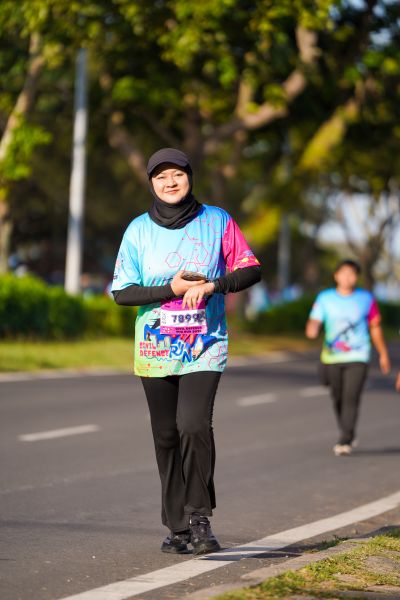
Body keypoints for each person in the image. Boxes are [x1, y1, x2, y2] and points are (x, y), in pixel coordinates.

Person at [111, 148, 261, 555]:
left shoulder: (217, 221)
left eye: (177, 174)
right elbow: (122, 292)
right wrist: (171, 290)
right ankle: (176, 527)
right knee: (166, 435)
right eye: (161, 177)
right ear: (151, 183)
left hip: (205, 344)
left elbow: (251, 268)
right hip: (155, 347)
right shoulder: (138, 230)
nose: (170, 182)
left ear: (189, 176)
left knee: (193, 424)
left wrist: (214, 286)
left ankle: (199, 519)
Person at [305, 259, 391, 456]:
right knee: (337, 396)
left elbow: (375, 327)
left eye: (352, 274)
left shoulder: (366, 298)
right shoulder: (325, 298)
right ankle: (347, 431)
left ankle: (345, 438)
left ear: (356, 277)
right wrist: (312, 328)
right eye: (343, 273)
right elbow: (315, 319)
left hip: (358, 355)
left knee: (351, 396)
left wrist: (383, 353)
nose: (347, 277)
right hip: (332, 357)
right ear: (336, 276)